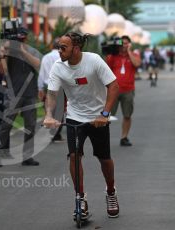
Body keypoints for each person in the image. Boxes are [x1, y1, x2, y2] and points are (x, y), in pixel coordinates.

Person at [43, 32, 120, 219]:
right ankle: (80, 198)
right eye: (58, 46)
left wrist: (104, 114)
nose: (59, 51)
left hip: (97, 117)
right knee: (74, 156)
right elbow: (52, 94)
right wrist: (49, 115)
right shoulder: (58, 66)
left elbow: (114, 85)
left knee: (104, 158)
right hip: (74, 117)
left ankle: (111, 191)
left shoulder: (94, 61)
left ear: (76, 48)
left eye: (63, 47)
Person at [0, 25, 41, 167]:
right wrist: (2, 55)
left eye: (22, 38)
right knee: (6, 125)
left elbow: (38, 64)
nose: (21, 40)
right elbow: (2, 71)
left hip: (30, 94)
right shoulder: (8, 52)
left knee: (30, 126)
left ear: (26, 38)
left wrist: (22, 51)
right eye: (18, 38)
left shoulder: (31, 51)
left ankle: (27, 157)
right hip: (14, 94)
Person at [106, 35, 141, 146]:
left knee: (127, 115)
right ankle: (103, 137)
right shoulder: (113, 56)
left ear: (129, 44)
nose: (124, 45)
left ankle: (124, 137)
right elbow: (106, 70)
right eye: (122, 43)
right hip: (113, 90)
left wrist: (129, 51)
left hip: (128, 90)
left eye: (126, 43)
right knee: (107, 115)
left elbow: (137, 64)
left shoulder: (134, 55)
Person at [38, 37, 66, 142]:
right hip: (59, 86)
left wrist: (40, 88)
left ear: (51, 46)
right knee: (59, 110)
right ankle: (56, 134)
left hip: (48, 86)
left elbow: (41, 74)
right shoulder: (62, 57)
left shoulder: (45, 57)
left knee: (49, 109)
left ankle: (50, 132)